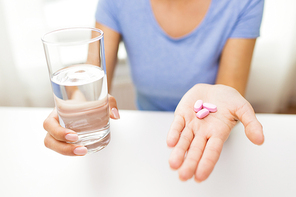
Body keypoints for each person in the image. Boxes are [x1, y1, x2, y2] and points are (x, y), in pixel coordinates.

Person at [43, 0, 265, 183]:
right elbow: (92, 80)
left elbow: (229, 92)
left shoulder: (243, 3)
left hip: (212, 142)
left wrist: (222, 101)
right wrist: (74, 109)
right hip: (145, 146)